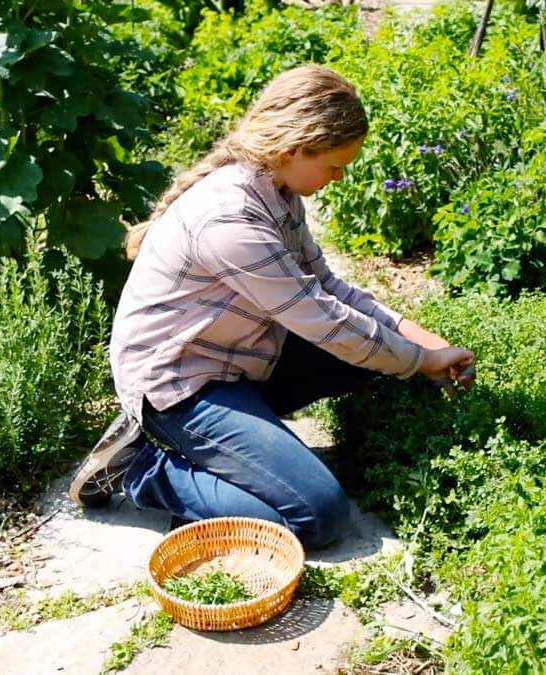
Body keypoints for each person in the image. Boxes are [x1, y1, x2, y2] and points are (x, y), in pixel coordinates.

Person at [67, 65, 476, 549]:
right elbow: (325, 322)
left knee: (376, 354)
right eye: (334, 166)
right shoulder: (229, 219)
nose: (339, 178)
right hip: (180, 383)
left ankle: (240, 447)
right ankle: (143, 470)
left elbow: (329, 290)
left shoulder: (278, 190)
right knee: (317, 515)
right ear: (294, 148)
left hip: (238, 353)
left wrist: (424, 341)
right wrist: (421, 361)